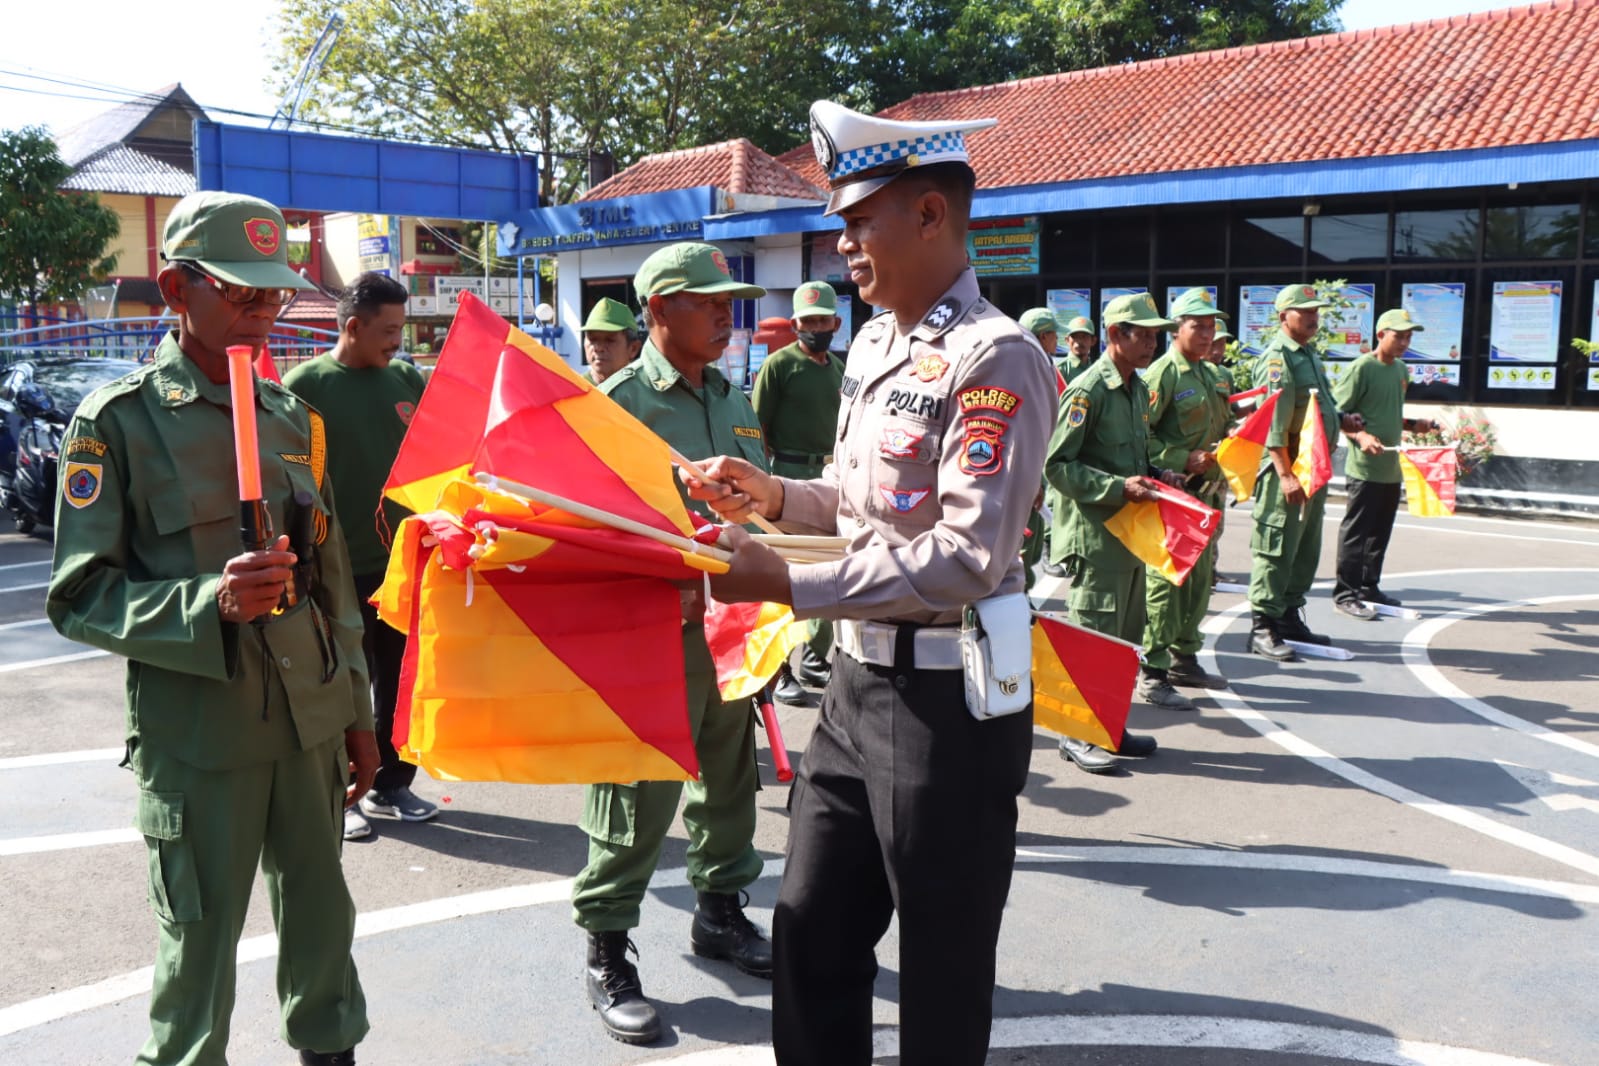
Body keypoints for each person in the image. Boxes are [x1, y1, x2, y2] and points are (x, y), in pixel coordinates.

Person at [683, 99, 1054, 1066]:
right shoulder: (881, 344)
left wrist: (786, 586)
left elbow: (969, 558)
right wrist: (771, 495)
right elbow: (858, 503)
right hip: (853, 690)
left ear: (929, 215)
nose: (843, 243)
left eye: (858, 220)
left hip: (944, 708)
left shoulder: (993, 354)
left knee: (941, 965)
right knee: (810, 931)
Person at [47, 190, 373, 1066]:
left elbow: (330, 576)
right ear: (173, 288)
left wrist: (357, 714)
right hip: (198, 736)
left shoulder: (292, 420)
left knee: (322, 925)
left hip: (308, 722)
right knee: (197, 951)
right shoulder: (116, 422)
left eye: (272, 295)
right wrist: (207, 604)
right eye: (240, 293)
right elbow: (78, 594)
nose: (263, 312)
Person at [572, 241, 773, 1046]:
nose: (728, 314)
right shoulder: (616, 405)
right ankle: (608, 947)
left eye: (731, 301)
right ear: (657, 312)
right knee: (636, 792)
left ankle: (720, 914)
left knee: (729, 776)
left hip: (732, 628)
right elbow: (581, 532)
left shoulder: (733, 397)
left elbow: (760, 509)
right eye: (708, 301)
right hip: (648, 633)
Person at [282, 271, 435, 841]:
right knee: (342, 681)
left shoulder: (406, 379)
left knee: (400, 681)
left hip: (403, 565)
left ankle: (394, 783)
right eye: (389, 330)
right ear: (353, 326)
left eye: (402, 327)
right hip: (333, 568)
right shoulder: (307, 385)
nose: (399, 340)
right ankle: (341, 792)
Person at [1046, 292, 1176, 772]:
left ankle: (1106, 726)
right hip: (1096, 537)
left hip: (1130, 533)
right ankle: (1075, 734)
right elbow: (1057, 466)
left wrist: (1160, 476)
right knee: (1092, 636)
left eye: (1156, 335)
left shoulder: (1137, 388)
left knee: (1123, 638)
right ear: (1115, 335)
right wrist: (1119, 486)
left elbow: (1136, 458)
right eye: (1143, 335)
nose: (1152, 343)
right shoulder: (1087, 391)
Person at [1247, 284, 1365, 661]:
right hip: (1289, 473)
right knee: (1277, 547)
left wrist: (1342, 419)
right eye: (1305, 311)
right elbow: (1274, 425)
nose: (1314, 316)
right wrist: (1284, 474)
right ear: (1284, 317)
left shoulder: (1308, 354)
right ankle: (1262, 625)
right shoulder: (1278, 359)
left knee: (1303, 549)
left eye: (1316, 310)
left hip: (1311, 472)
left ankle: (1287, 617)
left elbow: (1316, 407)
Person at [751, 280, 845, 702]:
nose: (815, 327)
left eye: (823, 320)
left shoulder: (841, 371)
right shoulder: (779, 365)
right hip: (786, 477)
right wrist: (765, 485)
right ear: (794, 324)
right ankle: (779, 670)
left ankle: (812, 658)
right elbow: (757, 430)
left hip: (828, 480)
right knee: (784, 581)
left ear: (836, 323)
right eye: (808, 321)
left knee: (825, 576)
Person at [1140, 288, 1232, 706]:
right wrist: (1181, 457)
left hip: (1209, 497)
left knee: (1198, 582)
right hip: (1175, 495)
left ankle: (1185, 656)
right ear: (1177, 329)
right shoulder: (1163, 374)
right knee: (1167, 581)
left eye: (1211, 326)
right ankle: (1152, 669)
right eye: (1198, 326)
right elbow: (1142, 437)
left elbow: (1222, 428)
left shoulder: (1211, 375)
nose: (1207, 334)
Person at [1332, 309, 1440, 619]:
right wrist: (1362, 437)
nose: (1405, 342)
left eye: (1409, 337)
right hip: (1364, 468)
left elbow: (1388, 413)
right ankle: (1345, 593)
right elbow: (1338, 414)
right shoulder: (1361, 368)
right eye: (1399, 335)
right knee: (1356, 531)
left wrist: (1413, 424)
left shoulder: (1401, 371)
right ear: (1380, 335)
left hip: (1391, 466)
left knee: (1380, 531)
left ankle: (1369, 586)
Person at [581, 297, 642, 384]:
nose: (598, 348)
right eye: (592, 339)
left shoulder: (648, 393)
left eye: (609, 340)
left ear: (633, 349)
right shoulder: (572, 390)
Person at [1058, 315, 1098, 383]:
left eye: (1084, 336)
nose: (1079, 341)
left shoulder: (1097, 370)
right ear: (1067, 340)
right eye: (1074, 337)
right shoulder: (1060, 370)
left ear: (1093, 341)